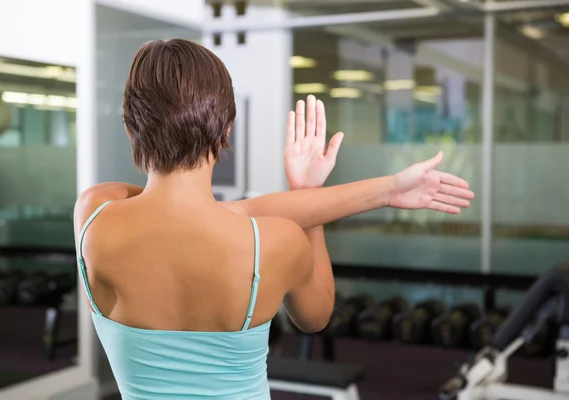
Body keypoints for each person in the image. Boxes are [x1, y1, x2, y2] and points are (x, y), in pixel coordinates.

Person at [74, 39, 474, 400]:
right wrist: (335, 195)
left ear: (130, 126)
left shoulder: (96, 214)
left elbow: (201, 217)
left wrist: (382, 189)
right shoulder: (275, 243)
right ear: (226, 127)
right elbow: (315, 318)